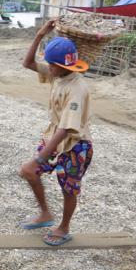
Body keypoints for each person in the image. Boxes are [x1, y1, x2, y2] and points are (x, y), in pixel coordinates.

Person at [19, 20, 94, 246]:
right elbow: (28, 63)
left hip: (75, 145)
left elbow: (66, 129)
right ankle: (45, 214)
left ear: (64, 66)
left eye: (51, 64)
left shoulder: (77, 88)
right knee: (28, 171)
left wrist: (40, 158)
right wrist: (39, 35)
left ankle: (64, 227)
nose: (47, 67)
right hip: (55, 138)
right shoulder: (57, 74)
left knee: (68, 189)